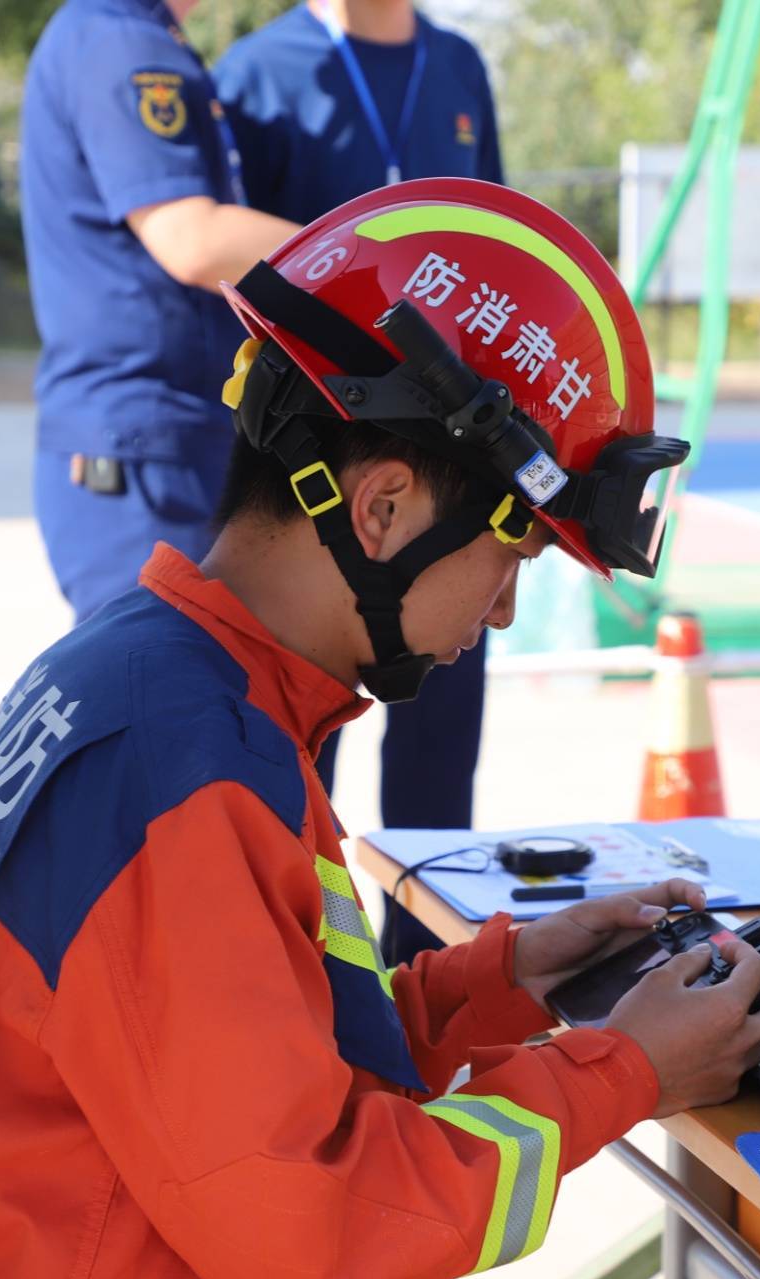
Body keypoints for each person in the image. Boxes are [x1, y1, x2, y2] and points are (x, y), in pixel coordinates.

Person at [0, 180, 760, 1279]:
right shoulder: (185, 767)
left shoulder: (167, 682)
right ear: (381, 509)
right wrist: (621, 1071)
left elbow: (245, 1061)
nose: (496, 615)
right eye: (515, 557)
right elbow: (304, 1216)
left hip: (133, 1271)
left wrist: (505, 980)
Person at [215, 0, 505, 845]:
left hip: (453, 463)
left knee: (440, 756)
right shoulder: (255, 73)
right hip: (319, 465)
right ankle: (304, 961)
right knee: (300, 744)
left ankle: (431, 963)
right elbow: (229, 272)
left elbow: (494, 250)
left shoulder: (457, 66)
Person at [20, 0, 300, 620]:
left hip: (163, 441)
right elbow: (191, 240)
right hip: (145, 446)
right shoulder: (122, 43)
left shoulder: (130, 34)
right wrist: (378, 255)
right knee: (161, 696)